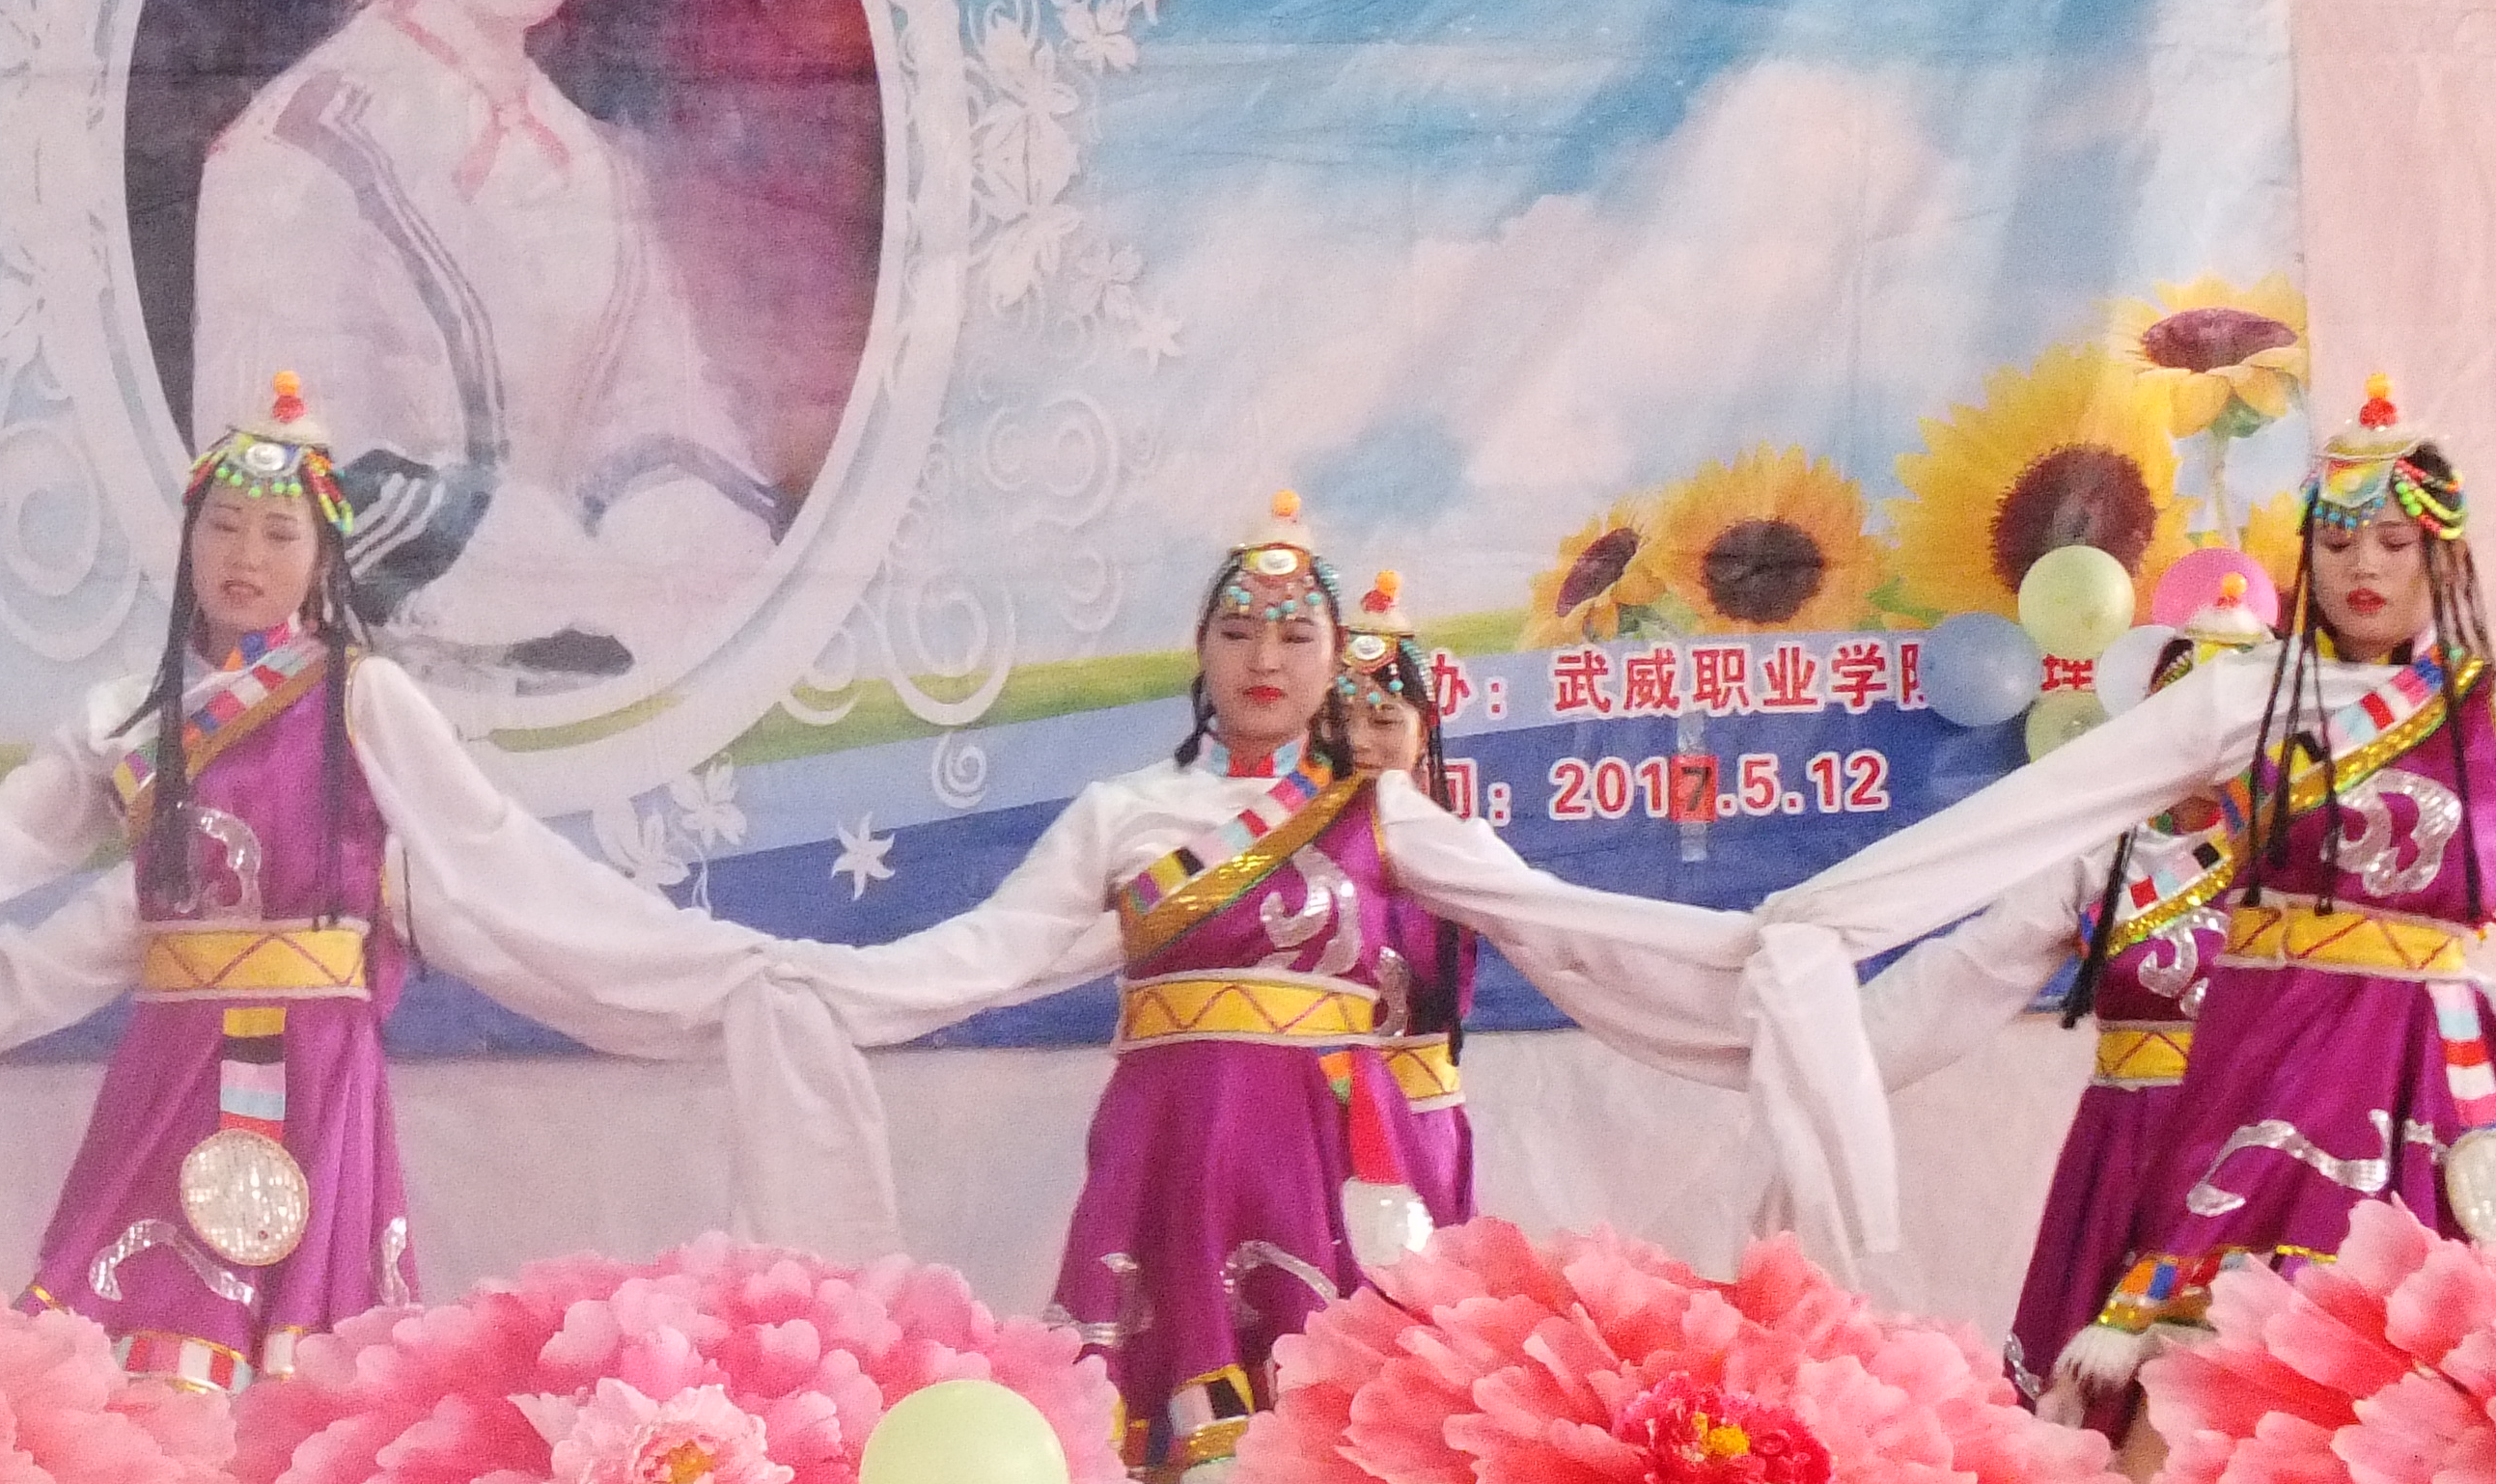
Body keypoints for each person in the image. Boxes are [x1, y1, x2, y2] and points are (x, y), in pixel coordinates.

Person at [0, 374, 883, 1391]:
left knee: (312, 1380)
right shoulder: (132, 723)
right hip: (169, 1070)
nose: (245, 553)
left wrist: (705, 966)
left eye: (278, 532)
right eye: (223, 525)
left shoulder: (363, 699)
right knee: (134, 1363)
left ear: (323, 558)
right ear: (188, 542)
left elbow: (499, 858)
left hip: (317, 1072)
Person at [783, 496, 1776, 1479]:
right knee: (1160, 1426)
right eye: (1238, 632)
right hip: (1166, 1140)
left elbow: (1553, 917)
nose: (1264, 659)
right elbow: (993, 949)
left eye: (1297, 637)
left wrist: (1745, 952)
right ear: (1200, 649)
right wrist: (817, 983)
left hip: (1320, 1147)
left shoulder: (1381, 809)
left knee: (1324, 1416)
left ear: (1334, 659)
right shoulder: (1124, 812)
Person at [1757, 377, 2493, 1435]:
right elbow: (2028, 820)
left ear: (2443, 552)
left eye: (2393, 541)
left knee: (2432, 1375)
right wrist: (1820, 925)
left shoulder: (2483, 707)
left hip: (2438, 1069)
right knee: (2214, 1362)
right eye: (2337, 544)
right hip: (2279, 1068)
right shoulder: (2247, 697)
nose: (2364, 568)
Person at [189, 0, 776, 703]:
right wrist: (560, 581)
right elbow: (283, 481)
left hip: (613, 684)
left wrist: (669, 554)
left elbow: (670, 419)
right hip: (371, 699)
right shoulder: (296, 153)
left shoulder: (596, 164)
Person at [1841, 571, 2266, 1423]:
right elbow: (1971, 970)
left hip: (2266, 1146)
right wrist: (1829, 1056)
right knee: (2103, 1410)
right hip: (2127, 1153)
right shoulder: (2102, 857)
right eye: (2185, 716)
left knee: (2256, 1394)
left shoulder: (2308, 860)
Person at [1319, 569, 1475, 1227]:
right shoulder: (1281, 846)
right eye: (1341, 720)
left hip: (1419, 1114)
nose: (1360, 741)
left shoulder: (1453, 847)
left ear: (1425, 724)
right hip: (1313, 1112)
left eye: (1384, 719)